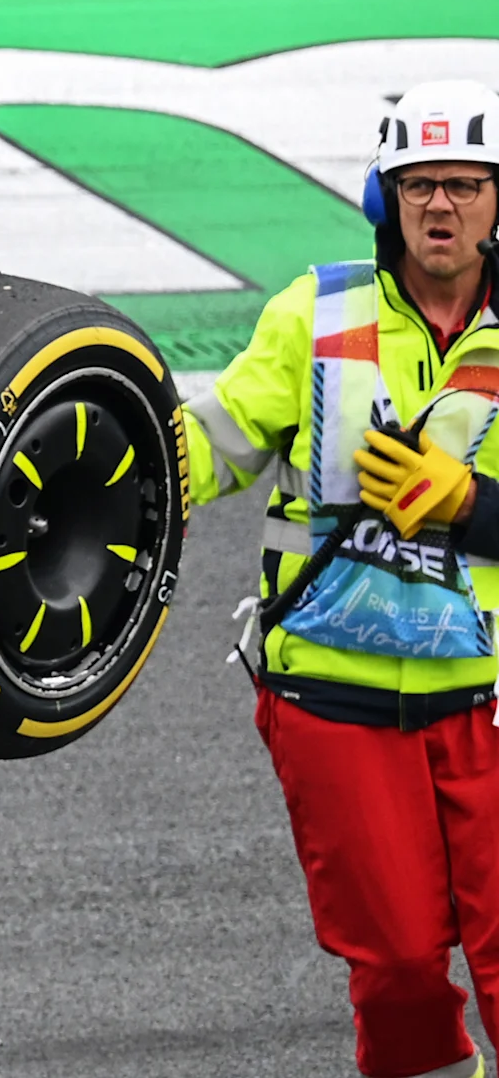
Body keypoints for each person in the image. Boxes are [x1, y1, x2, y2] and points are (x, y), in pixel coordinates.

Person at [188, 79, 499, 1078]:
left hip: (489, 703)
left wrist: (464, 504)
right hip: (333, 697)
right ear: (381, 197)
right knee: (400, 965)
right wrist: (88, 469)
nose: (438, 206)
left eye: (461, 185)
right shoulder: (311, 314)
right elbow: (205, 446)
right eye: (416, 185)